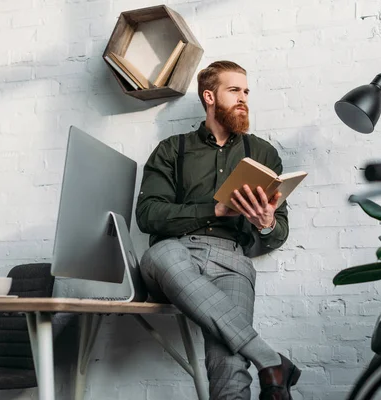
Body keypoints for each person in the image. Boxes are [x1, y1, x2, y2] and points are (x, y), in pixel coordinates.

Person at [135, 61, 301, 400]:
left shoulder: (263, 153)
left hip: (233, 260)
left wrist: (265, 222)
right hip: (175, 253)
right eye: (234, 90)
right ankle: (270, 360)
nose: (244, 98)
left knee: (229, 361)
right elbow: (148, 215)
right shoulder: (172, 149)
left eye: (246, 91)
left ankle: (268, 365)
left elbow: (279, 229)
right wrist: (216, 209)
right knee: (161, 253)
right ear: (209, 96)